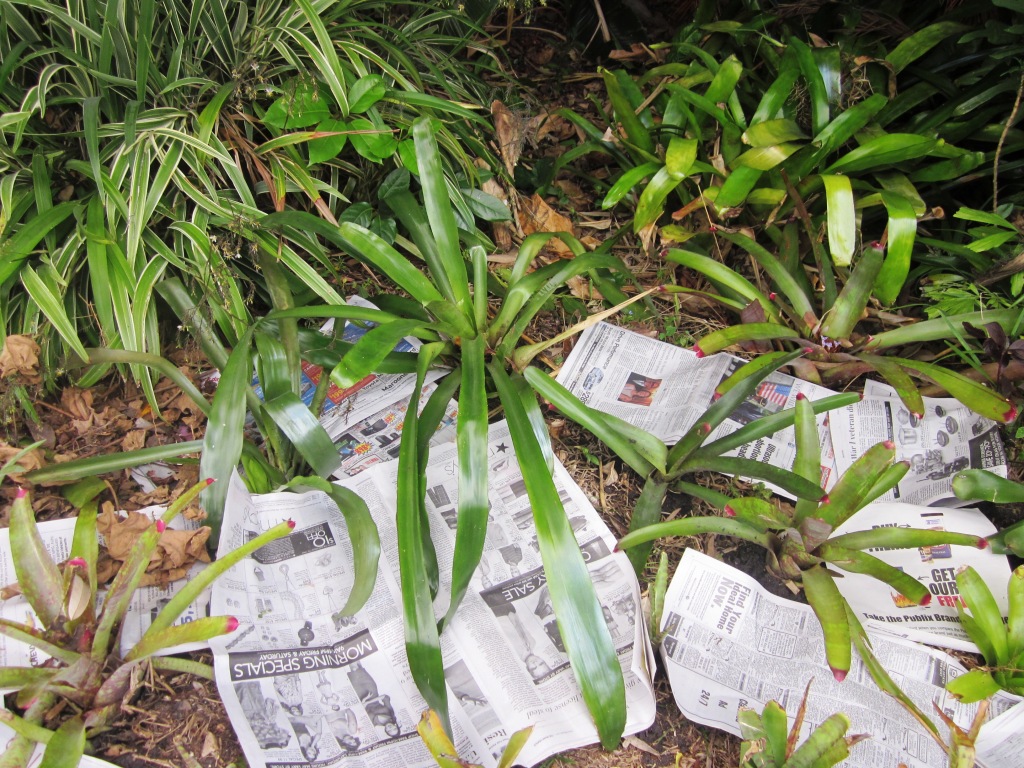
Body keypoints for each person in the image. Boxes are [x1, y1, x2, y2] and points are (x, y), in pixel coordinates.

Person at [347, 662, 400, 737]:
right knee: (359, 667)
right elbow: (385, 697)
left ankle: (349, 654)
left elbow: (361, 711)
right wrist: (369, 701)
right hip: (372, 691)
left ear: (385, 730)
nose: (390, 728)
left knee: (354, 669)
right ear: (396, 726)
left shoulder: (374, 724)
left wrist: (365, 700)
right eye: (394, 729)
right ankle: (353, 653)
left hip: (361, 696)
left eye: (389, 731)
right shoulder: (390, 713)